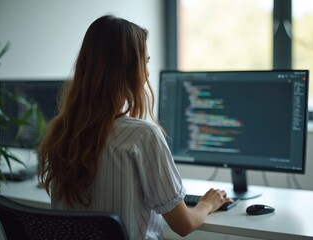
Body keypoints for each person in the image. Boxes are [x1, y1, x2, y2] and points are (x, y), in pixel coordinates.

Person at [38, 15, 232, 240]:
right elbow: (184, 224)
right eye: (145, 62)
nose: (147, 73)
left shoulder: (61, 133)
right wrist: (207, 204)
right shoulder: (142, 136)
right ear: (129, 69)